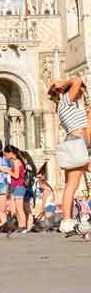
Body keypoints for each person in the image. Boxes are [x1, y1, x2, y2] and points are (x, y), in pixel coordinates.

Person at [48, 76, 89, 234]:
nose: (81, 93)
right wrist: (63, 83)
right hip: (76, 144)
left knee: (70, 185)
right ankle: (66, 221)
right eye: (80, 90)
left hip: (76, 144)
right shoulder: (66, 100)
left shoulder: (67, 105)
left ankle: (67, 221)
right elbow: (78, 79)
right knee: (71, 185)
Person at [3, 145, 29, 232]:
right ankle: (21, 225)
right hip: (15, 186)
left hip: (19, 186)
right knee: (16, 208)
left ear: (10, 153)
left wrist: (8, 171)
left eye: (6, 154)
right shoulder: (15, 161)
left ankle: (23, 225)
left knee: (19, 208)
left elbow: (16, 175)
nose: (6, 156)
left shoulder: (17, 162)